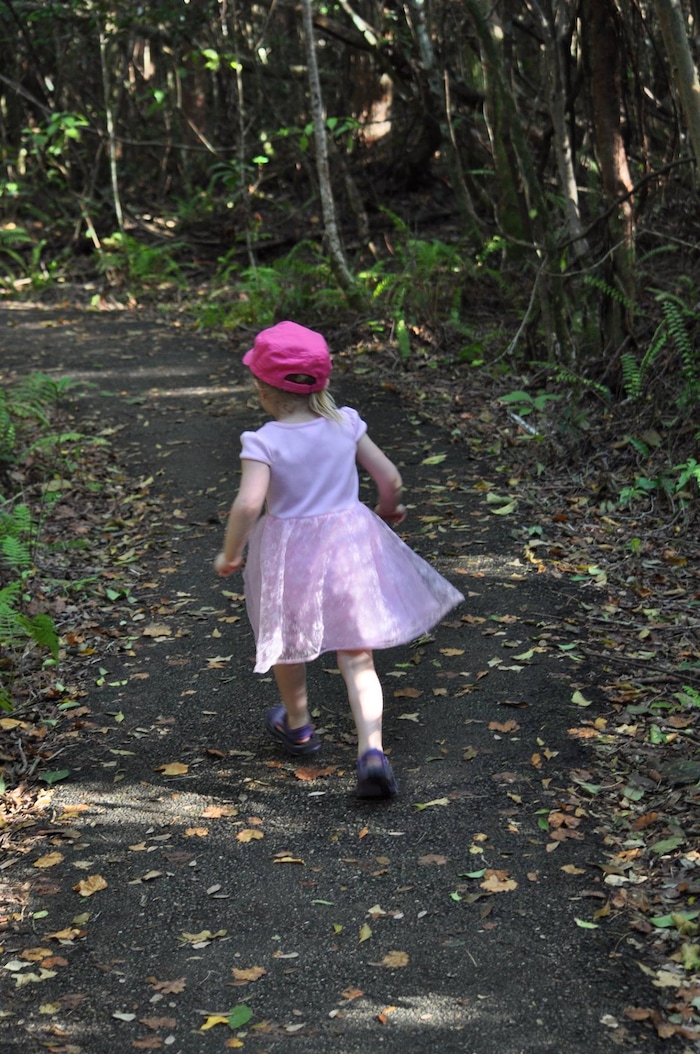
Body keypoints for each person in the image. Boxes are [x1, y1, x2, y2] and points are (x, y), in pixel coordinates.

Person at [214, 321, 463, 799]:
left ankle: (299, 723)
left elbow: (248, 505)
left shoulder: (263, 441)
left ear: (264, 390)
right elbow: (388, 476)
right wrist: (389, 507)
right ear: (322, 382)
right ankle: (372, 750)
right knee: (357, 654)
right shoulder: (345, 423)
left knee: (290, 643)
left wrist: (232, 552)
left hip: (291, 556)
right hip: (349, 548)